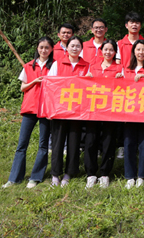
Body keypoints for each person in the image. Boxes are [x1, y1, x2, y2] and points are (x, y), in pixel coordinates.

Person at [2, 37, 55, 189]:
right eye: (41, 47)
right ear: (37, 48)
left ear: (51, 49)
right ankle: (14, 178)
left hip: (46, 109)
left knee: (43, 144)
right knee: (22, 144)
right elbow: (22, 87)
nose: (44, 50)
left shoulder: (55, 66)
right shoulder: (28, 66)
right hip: (30, 108)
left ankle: (36, 177)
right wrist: (35, 81)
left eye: (47, 47)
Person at [47, 36, 90, 187]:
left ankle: (69, 173)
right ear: (67, 47)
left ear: (81, 49)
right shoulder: (58, 64)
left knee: (74, 142)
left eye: (78, 46)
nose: (75, 48)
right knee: (57, 142)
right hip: (59, 110)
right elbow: (50, 86)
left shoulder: (87, 66)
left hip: (77, 111)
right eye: (72, 46)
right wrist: (50, 109)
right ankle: (55, 173)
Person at [84, 39, 123, 189]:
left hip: (111, 111)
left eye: (111, 50)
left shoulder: (119, 68)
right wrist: (87, 78)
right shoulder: (93, 67)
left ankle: (105, 173)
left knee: (108, 142)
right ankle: (91, 174)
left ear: (115, 52)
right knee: (91, 141)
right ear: (101, 51)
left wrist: (121, 79)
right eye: (105, 49)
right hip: (93, 110)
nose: (108, 52)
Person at [123, 39, 144, 189]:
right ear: (133, 52)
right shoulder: (126, 69)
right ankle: (130, 176)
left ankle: (142, 175)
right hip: (129, 112)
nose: (141, 52)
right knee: (129, 144)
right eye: (138, 49)